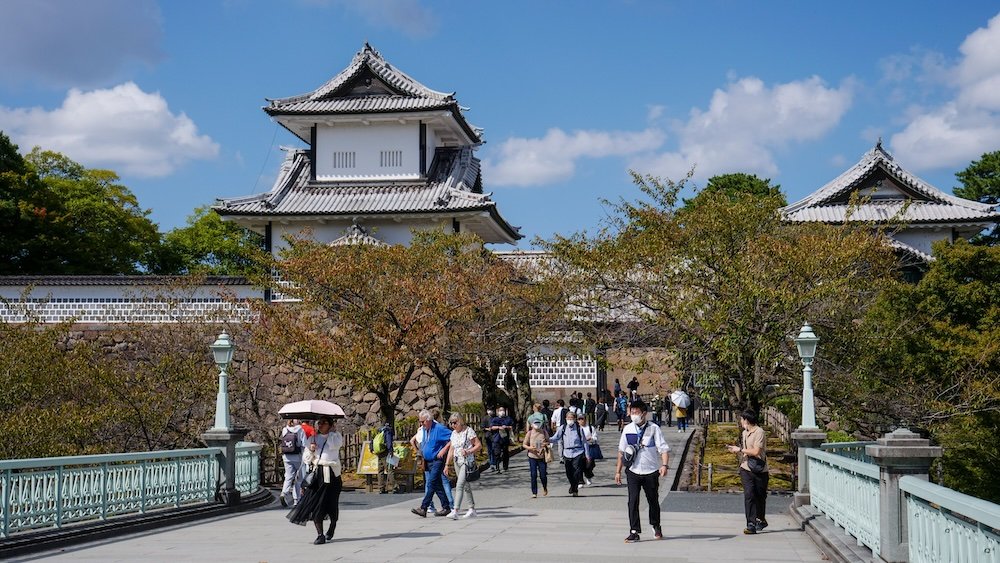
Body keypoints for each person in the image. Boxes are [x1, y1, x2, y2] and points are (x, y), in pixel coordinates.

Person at [615, 400, 670, 543]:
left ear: (644, 413)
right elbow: (621, 451)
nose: (633, 415)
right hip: (633, 471)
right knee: (632, 501)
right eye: (632, 412)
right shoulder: (627, 429)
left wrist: (664, 465)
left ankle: (656, 525)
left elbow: (663, 449)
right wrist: (618, 471)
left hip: (650, 471)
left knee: (653, 500)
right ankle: (634, 531)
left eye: (636, 412)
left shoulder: (654, 429)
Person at [287, 416, 343, 545]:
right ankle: (320, 534)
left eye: (324, 423)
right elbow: (306, 458)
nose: (321, 425)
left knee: (332, 503)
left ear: (330, 424)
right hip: (318, 474)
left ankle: (333, 524)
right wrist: (311, 449)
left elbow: (335, 446)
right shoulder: (312, 438)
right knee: (316, 504)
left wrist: (332, 433)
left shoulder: (336, 436)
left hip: (332, 474)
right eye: (319, 422)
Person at [727, 410, 769, 534]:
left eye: (741, 420)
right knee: (749, 495)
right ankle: (750, 524)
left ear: (746, 420)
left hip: (760, 469)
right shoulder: (744, 433)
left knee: (760, 496)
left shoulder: (759, 432)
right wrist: (738, 450)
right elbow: (746, 451)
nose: (740, 422)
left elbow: (756, 451)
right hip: (746, 467)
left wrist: (739, 449)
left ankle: (760, 519)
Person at [411, 410, 452, 518]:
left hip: (437, 460)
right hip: (428, 460)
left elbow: (453, 437)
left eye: (423, 421)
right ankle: (446, 507)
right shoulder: (425, 429)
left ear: (429, 420)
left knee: (431, 482)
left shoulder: (439, 428)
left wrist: (444, 450)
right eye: (420, 422)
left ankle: (424, 507)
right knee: (437, 485)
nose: (421, 424)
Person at [445, 413, 481, 519]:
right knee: (465, 486)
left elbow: (478, 445)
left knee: (459, 484)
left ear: (460, 421)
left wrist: (469, 451)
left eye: (455, 423)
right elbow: (451, 449)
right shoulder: (454, 434)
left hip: (467, 461)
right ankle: (472, 508)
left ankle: (455, 510)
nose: (453, 425)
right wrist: (447, 464)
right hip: (457, 461)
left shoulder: (468, 431)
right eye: (451, 423)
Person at [549, 409, 591, 497]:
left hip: (578, 452)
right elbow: (555, 438)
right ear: (565, 418)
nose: (570, 419)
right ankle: (573, 486)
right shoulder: (562, 428)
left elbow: (584, 442)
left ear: (575, 419)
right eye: (568, 418)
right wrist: (546, 439)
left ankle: (574, 489)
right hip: (567, 452)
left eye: (571, 418)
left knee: (577, 471)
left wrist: (587, 455)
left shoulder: (579, 429)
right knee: (569, 472)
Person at [279, 419, 307, 508]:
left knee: (288, 476)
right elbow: (304, 444)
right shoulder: (300, 430)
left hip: (287, 456)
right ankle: (296, 500)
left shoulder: (285, 429)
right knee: (299, 479)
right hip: (298, 457)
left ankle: (284, 493)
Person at [522, 417, 549, 498]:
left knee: (543, 475)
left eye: (538, 423)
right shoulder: (529, 433)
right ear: (531, 425)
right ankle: (534, 492)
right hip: (532, 456)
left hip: (542, 456)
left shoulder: (544, 432)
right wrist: (530, 448)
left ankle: (545, 487)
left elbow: (549, 441)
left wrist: (545, 444)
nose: (537, 425)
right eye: (535, 423)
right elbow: (524, 444)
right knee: (533, 475)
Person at [490, 407, 514, 473]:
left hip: (505, 439)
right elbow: (491, 427)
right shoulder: (495, 419)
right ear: (498, 412)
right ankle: (497, 467)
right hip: (497, 439)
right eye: (500, 410)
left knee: (505, 453)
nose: (502, 411)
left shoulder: (508, 418)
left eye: (503, 410)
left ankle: (505, 467)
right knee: (497, 453)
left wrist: (506, 427)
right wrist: (498, 427)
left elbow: (511, 426)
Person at [374, 419, 395, 494]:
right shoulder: (388, 431)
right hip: (385, 452)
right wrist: (390, 451)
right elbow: (389, 442)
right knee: (390, 469)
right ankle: (394, 487)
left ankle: (381, 488)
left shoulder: (380, 431)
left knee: (380, 471)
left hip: (379, 452)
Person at [578, 414, 598, 487]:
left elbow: (595, 437)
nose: (581, 421)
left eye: (582, 419)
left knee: (589, 464)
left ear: (585, 420)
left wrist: (591, 439)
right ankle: (580, 481)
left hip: (590, 447)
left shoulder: (590, 428)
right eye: (579, 419)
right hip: (579, 449)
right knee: (579, 465)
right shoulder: (577, 428)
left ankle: (588, 476)